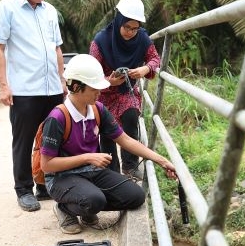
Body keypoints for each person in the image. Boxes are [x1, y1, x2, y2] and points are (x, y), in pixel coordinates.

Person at [41, 54, 177, 234]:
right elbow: (46, 165)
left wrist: (161, 160)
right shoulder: (57, 118)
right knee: (94, 200)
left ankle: (87, 203)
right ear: (75, 87)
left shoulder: (97, 109)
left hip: (92, 172)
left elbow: (125, 140)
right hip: (61, 178)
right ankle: (65, 209)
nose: (99, 93)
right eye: (94, 88)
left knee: (135, 196)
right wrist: (88, 157)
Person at [0, 0, 67, 212]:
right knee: (23, 141)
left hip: (52, 88)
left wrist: (62, 79)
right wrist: (3, 86)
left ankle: (46, 184)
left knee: (51, 140)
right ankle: (23, 189)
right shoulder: (5, 9)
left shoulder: (50, 12)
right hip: (24, 90)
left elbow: (56, 49)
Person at [89, 0, 160, 179]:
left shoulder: (143, 39)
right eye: (126, 27)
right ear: (118, 20)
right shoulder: (100, 41)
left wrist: (144, 69)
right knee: (106, 128)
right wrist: (108, 81)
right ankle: (111, 171)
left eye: (135, 29)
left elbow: (155, 58)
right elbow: (92, 73)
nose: (130, 32)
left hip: (126, 90)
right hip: (103, 93)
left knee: (131, 116)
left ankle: (130, 166)